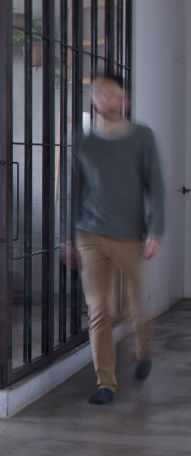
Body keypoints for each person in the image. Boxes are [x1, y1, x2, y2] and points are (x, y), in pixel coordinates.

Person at [73, 73, 164, 405]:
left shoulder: (142, 137)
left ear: (125, 99)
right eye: (100, 92)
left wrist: (156, 229)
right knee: (99, 310)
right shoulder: (85, 142)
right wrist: (68, 237)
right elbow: (75, 191)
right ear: (93, 98)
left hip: (129, 235)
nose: (106, 98)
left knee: (134, 306)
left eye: (113, 93)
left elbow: (156, 188)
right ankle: (105, 384)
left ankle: (143, 351)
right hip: (90, 234)